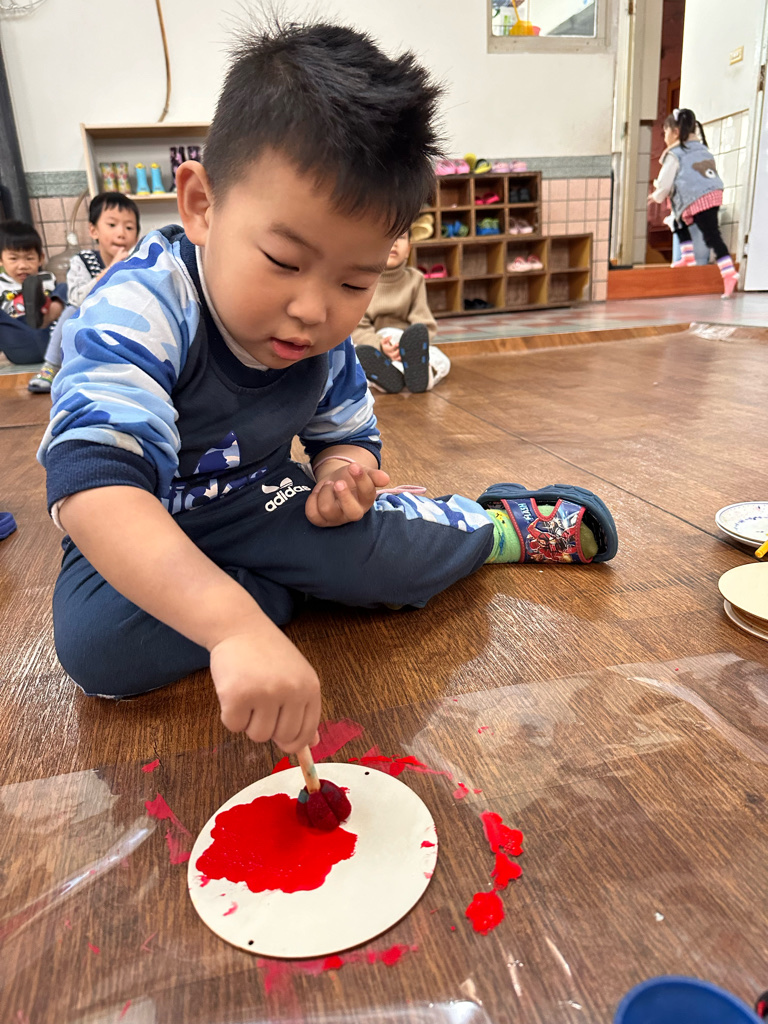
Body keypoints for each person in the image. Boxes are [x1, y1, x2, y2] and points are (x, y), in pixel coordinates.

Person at [38, 21, 619, 755]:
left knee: (393, 564)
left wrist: (342, 477)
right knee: (99, 653)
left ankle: (495, 526)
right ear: (202, 205)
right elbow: (94, 487)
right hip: (134, 520)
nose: (314, 311)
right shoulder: (139, 306)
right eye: (285, 261)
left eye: (353, 282)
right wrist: (232, 626)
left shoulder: (323, 342)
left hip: (260, 504)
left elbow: (347, 436)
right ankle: (277, 591)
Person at [28, 193, 140, 393]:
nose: (121, 233)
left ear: (137, 236)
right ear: (93, 230)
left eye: (129, 227)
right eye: (112, 225)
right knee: (70, 310)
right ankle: (51, 366)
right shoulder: (83, 260)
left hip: (120, 322)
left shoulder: (137, 262)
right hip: (89, 317)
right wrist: (108, 272)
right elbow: (76, 298)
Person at [649, 107, 737, 297]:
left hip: (698, 197)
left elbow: (665, 183)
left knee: (712, 237)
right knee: (677, 220)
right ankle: (688, 257)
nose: (664, 137)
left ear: (675, 132)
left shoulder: (675, 154)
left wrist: (656, 196)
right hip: (713, 194)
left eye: (665, 132)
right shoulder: (701, 149)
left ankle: (729, 273)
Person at [352, 232, 449, 393]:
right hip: (376, 345)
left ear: (408, 250)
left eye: (401, 237)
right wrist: (380, 345)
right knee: (354, 359)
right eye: (387, 235)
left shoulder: (415, 279)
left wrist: (406, 346)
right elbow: (358, 328)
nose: (394, 242)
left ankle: (414, 376)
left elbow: (423, 322)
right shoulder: (362, 281)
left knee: (442, 360)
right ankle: (398, 377)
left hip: (408, 345)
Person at [0, 220, 66, 364]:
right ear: (1, 260)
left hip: (50, 337)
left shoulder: (48, 279)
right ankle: (33, 315)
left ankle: (44, 315)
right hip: (20, 339)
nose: (23, 265)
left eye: (29, 258)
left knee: (64, 288)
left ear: (41, 258)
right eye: (13, 259)